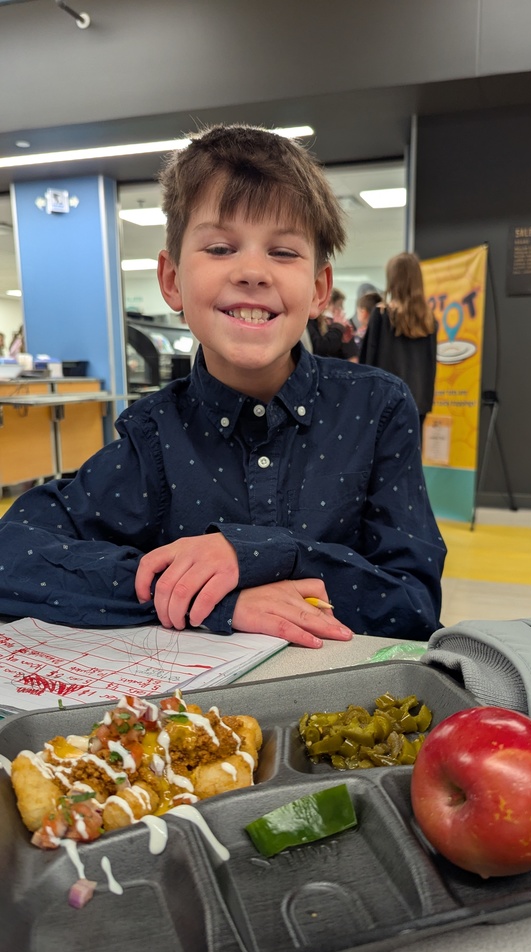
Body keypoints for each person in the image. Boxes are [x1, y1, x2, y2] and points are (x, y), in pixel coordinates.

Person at [0, 125, 446, 646]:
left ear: (319, 289)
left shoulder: (377, 408)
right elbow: (13, 554)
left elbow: (414, 603)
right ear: (172, 282)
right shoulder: (153, 437)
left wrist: (262, 554)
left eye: (283, 252)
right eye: (219, 247)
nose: (253, 270)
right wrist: (214, 599)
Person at [360, 253, 437, 436]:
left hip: (384, 404)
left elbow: (366, 364)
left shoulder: (381, 316)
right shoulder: (429, 321)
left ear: (392, 280)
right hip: (418, 404)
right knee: (410, 460)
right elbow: (431, 367)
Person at [306, 287, 355, 359]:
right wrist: (338, 328)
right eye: (340, 306)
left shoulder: (323, 324)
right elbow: (320, 348)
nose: (342, 309)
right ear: (328, 303)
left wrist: (344, 340)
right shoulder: (309, 321)